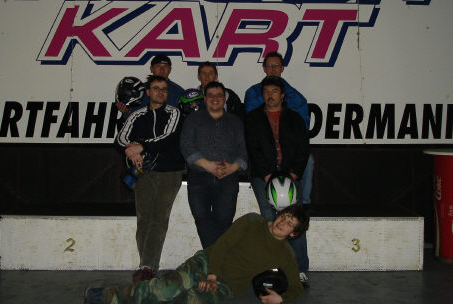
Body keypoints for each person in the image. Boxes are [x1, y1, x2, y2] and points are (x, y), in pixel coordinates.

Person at [84, 205, 309, 304]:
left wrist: (281, 298)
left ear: (293, 233)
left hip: (226, 286)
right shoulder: (252, 221)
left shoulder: (286, 255)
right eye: (284, 216)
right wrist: (211, 275)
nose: (283, 222)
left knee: (185, 301)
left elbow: (296, 288)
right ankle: (105, 296)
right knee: (165, 289)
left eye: (290, 223)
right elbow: (222, 246)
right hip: (207, 263)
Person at [116, 75, 185, 282]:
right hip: (142, 172)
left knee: (159, 218)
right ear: (148, 92)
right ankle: (145, 265)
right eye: (156, 88)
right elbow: (120, 139)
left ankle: (148, 266)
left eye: (164, 89)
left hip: (169, 172)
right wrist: (132, 151)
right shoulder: (137, 114)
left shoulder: (174, 112)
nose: (160, 92)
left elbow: (168, 138)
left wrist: (142, 146)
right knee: (144, 218)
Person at [245, 76, 311, 287]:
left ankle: (299, 269)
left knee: (294, 220)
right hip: (263, 176)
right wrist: (267, 175)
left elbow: (303, 148)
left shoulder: (295, 118)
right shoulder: (253, 119)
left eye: (274, 91)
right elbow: (252, 149)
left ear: (282, 95)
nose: (270, 95)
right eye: (266, 92)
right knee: (268, 218)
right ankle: (270, 268)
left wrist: (293, 174)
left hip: (290, 176)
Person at [180, 81, 248, 248]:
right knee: (202, 218)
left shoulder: (235, 121)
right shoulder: (193, 119)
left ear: (224, 98)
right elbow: (186, 145)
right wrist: (208, 165)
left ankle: (214, 260)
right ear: (205, 99)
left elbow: (243, 149)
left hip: (228, 178)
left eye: (219, 95)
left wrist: (233, 167)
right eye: (210, 95)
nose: (215, 98)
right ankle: (215, 258)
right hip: (198, 177)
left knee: (224, 220)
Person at [116, 54, 185, 114]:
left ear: (169, 70)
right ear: (151, 69)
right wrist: (126, 111)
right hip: (142, 125)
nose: (162, 69)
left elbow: (182, 116)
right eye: (158, 66)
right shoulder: (139, 89)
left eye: (165, 66)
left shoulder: (179, 92)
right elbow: (132, 116)